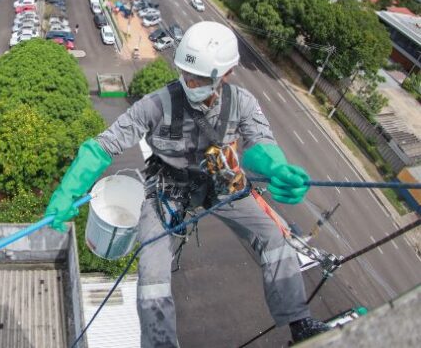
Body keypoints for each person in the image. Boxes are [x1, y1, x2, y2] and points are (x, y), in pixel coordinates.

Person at [45, 21, 330, 347]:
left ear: (227, 72)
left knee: (273, 239)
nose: (190, 82)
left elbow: (258, 145)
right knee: (153, 271)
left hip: (221, 180)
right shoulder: (157, 104)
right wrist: (69, 189)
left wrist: (278, 168)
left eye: (200, 77)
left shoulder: (242, 103)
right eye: (185, 73)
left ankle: (298, 322)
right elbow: (104, 146)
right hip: (167, 186)